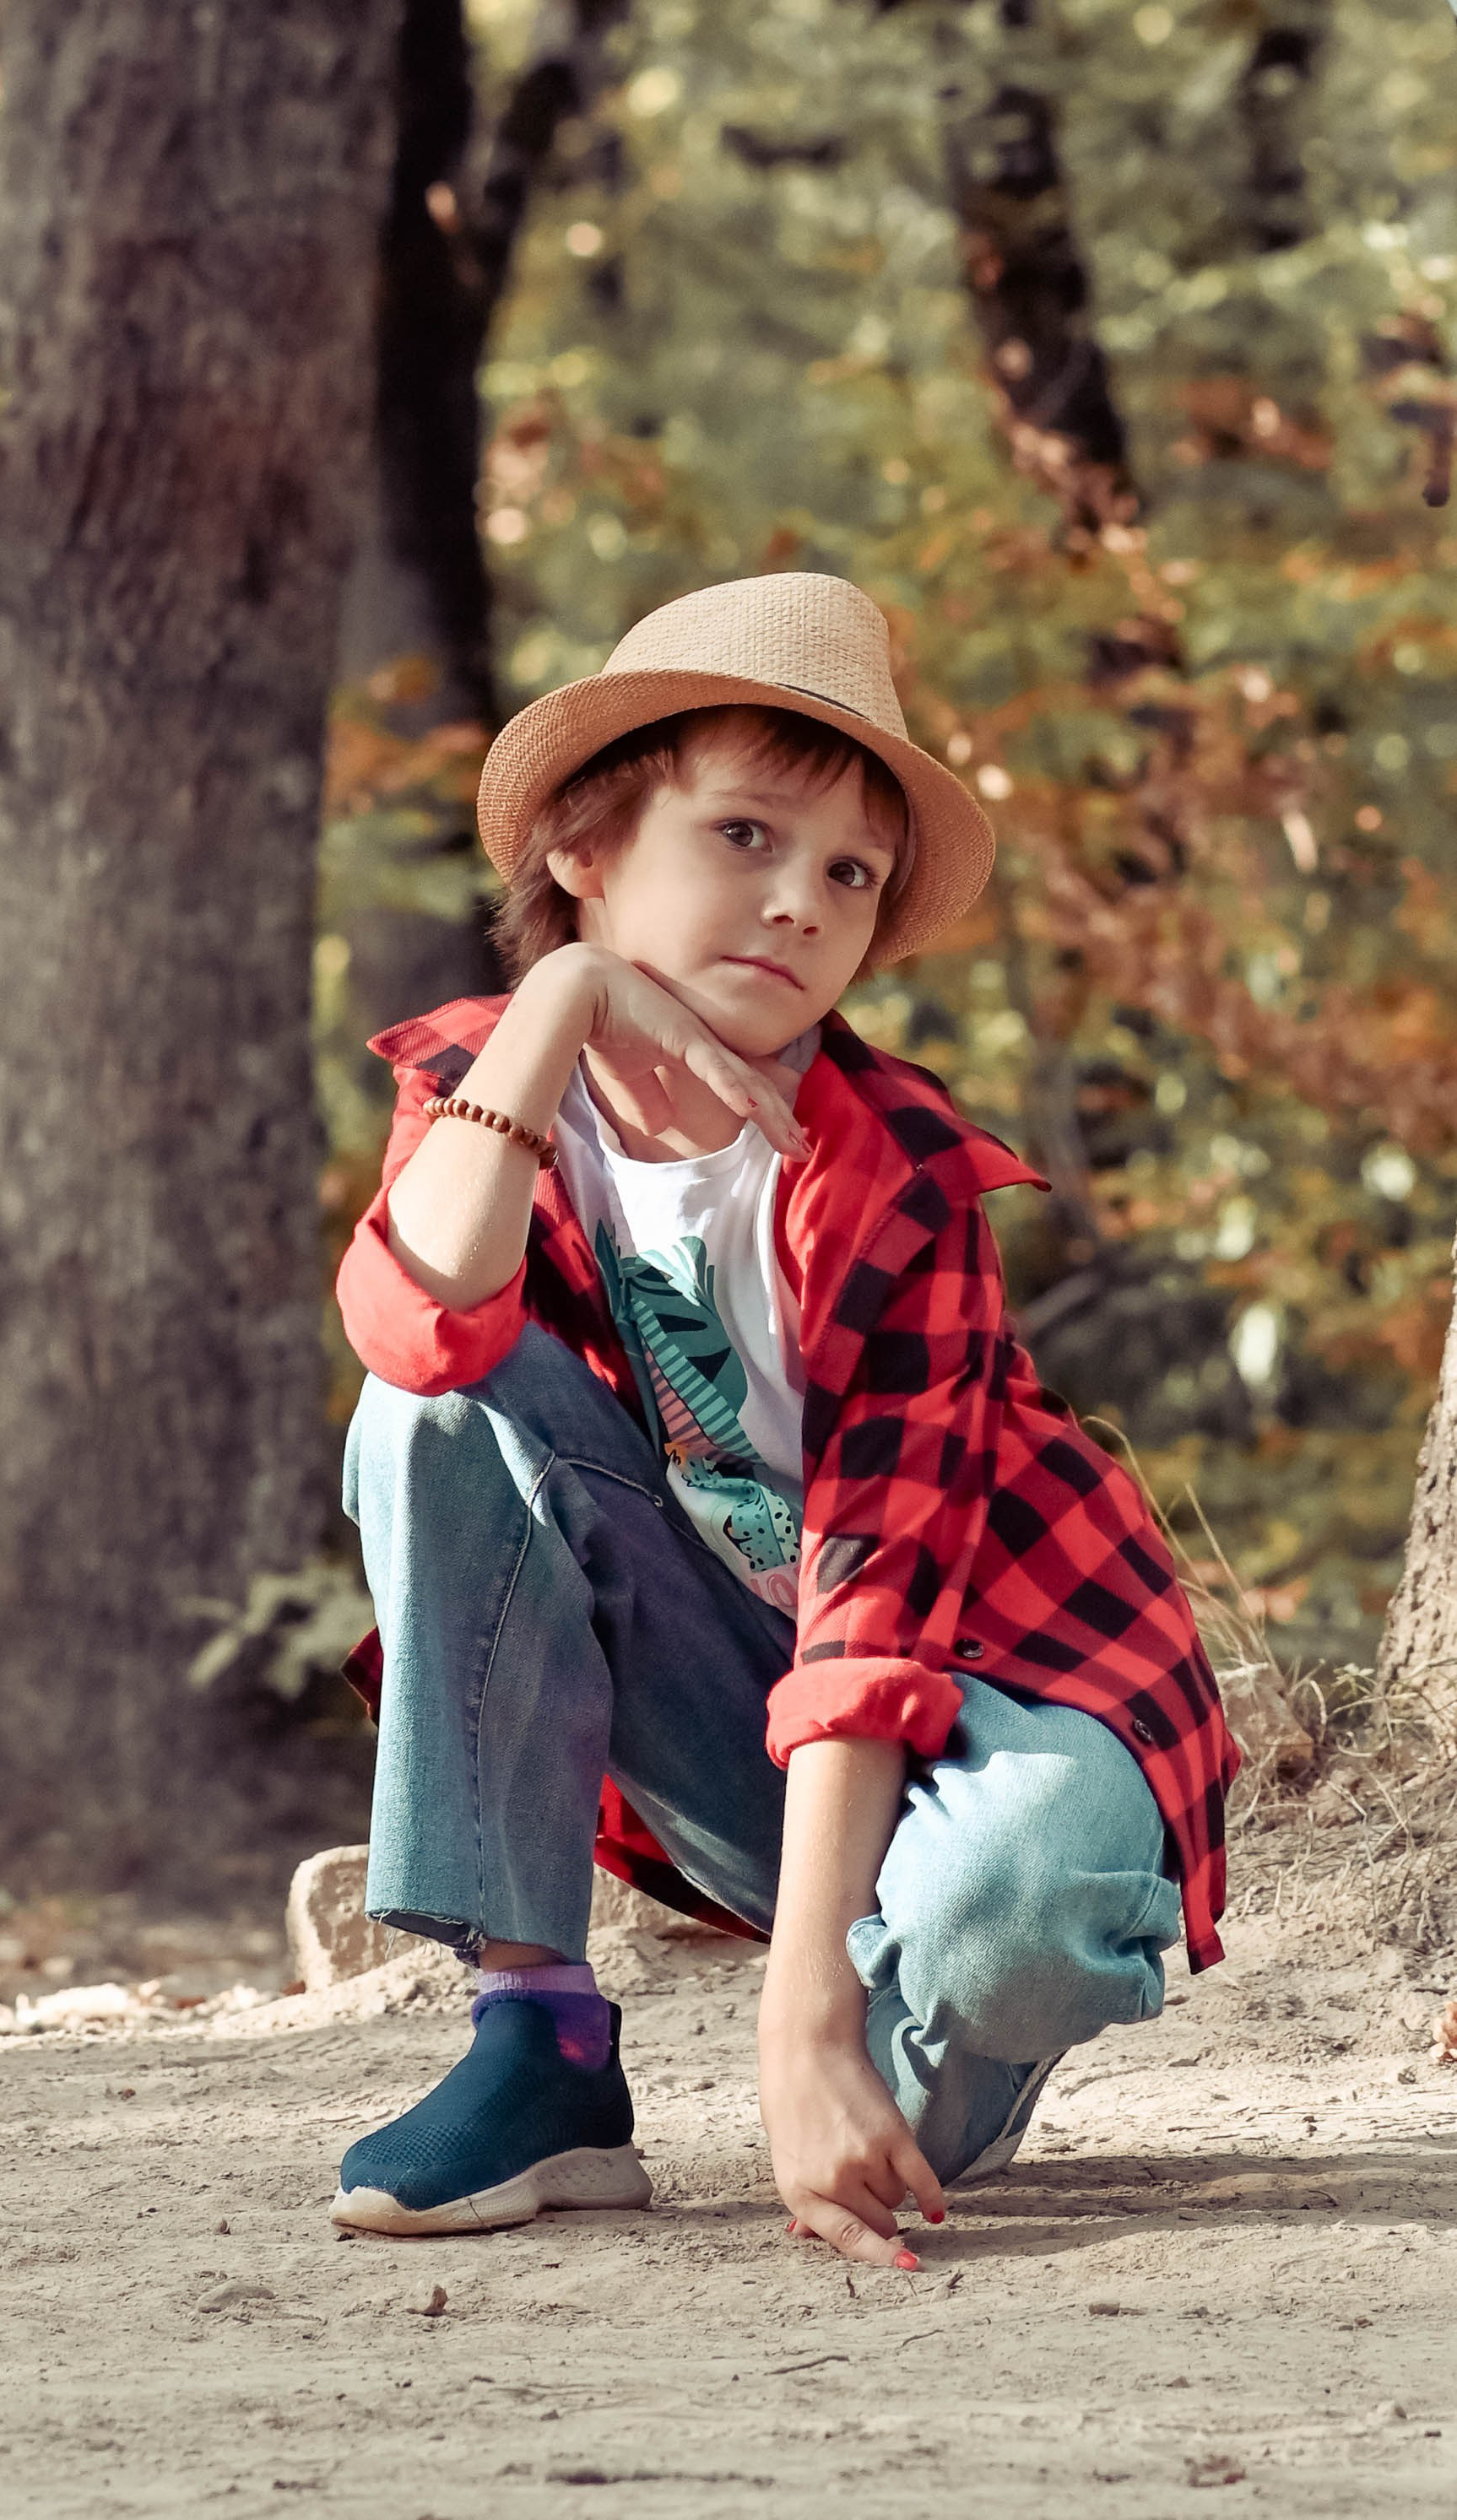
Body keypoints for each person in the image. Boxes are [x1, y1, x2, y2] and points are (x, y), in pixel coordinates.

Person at [329, 572, 1238, 2264]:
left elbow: (876, 1596)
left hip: (998, 1703)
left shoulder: (894, 1173)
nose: (802, 902)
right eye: (745, 833)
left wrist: (804, 2008)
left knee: (1005, 1920)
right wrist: (560, 1006)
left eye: (848, 872)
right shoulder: (484, 1087)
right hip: (745, 1704)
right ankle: (540, 2041)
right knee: (430, 1409)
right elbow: (414, 1314)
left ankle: (930, 2024)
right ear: (587, 851)